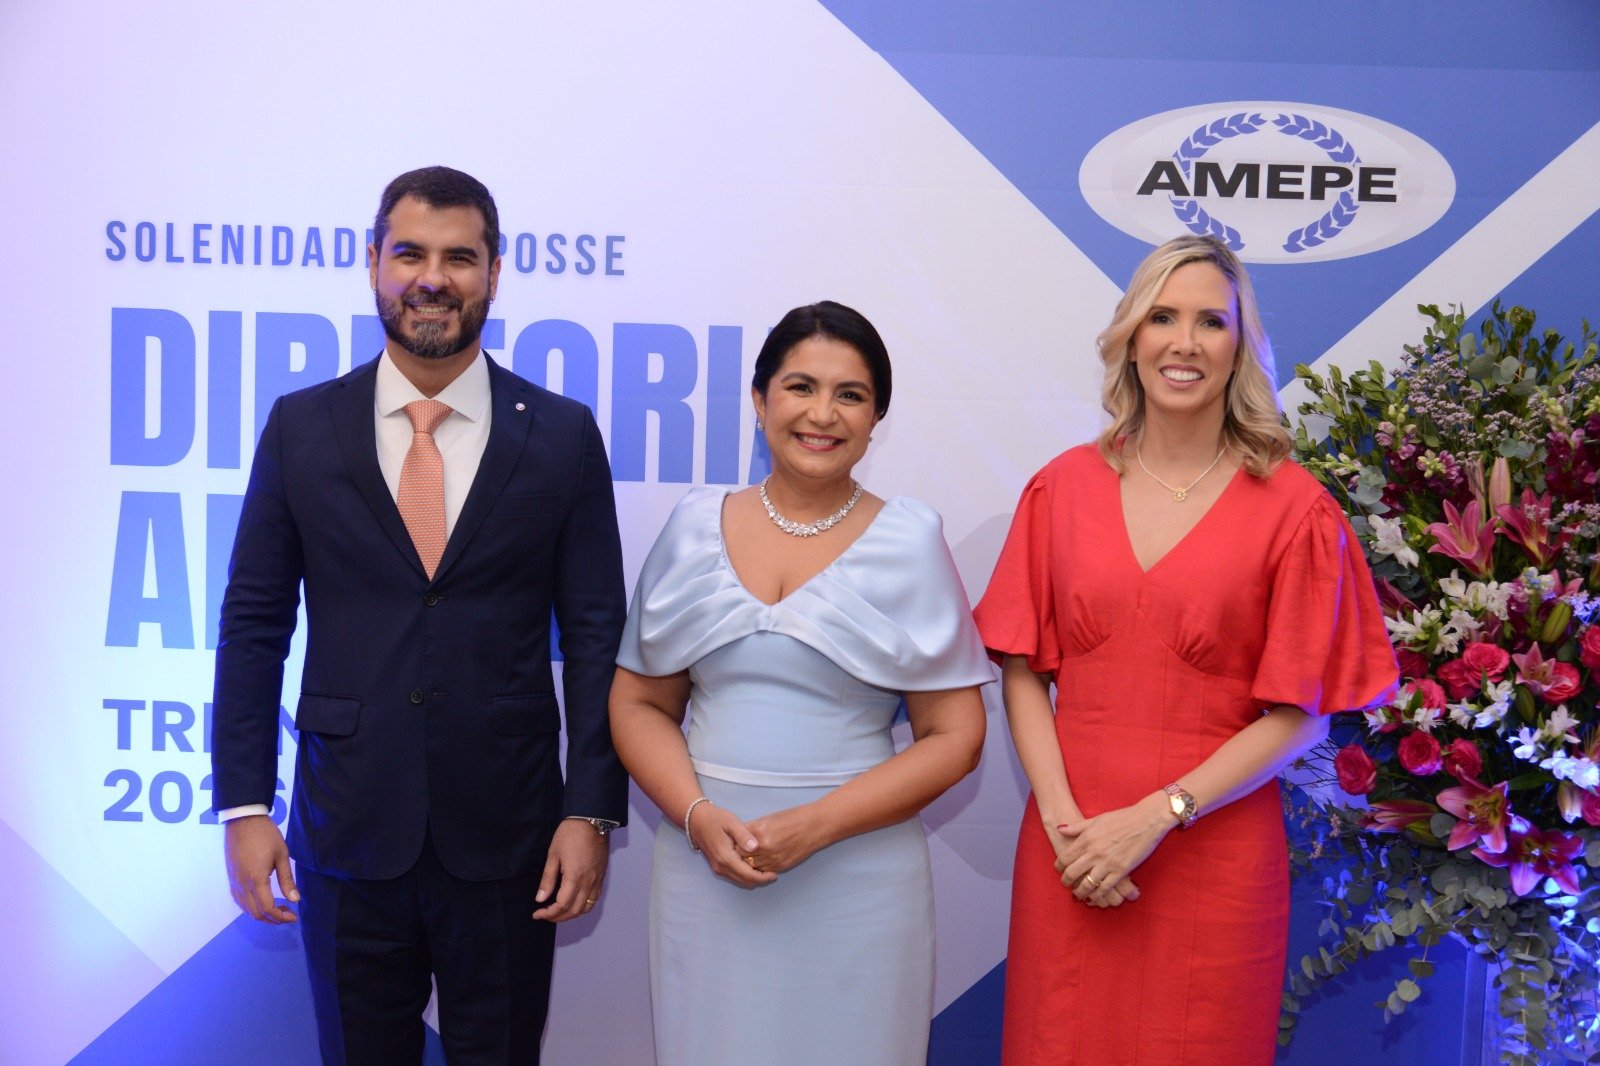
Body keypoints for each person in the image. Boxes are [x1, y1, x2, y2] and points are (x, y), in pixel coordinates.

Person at [210, 165, 627, 1065]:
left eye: (459, 258)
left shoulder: (561, 435)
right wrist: (244, 805)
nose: (432, 278)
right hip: (346, 828)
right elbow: (253, 625)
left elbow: (598, 635)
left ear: (494, 273)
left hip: (511, 834)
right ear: (373, 263)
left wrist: (590, 811)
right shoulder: (300, 427)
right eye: (410, 254)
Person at [974, 235, 1398, 1064]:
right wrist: (1067, 826)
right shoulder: (1061, 488)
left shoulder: (1295, 509)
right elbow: (1021, 669)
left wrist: (1155, 817)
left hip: (1213, 855)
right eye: (1162, 317)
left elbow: (1303, 714)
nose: (1185, 342)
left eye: (1212, 321)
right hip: (1071, 851)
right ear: (1131, 336)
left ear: (1241, 345)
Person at [608, 301, 992, 1066]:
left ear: (876, 418)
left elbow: (956, 736)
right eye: (800, 387)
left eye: (850, 395)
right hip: (705, 867)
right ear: (759, 400)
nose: (822, 414)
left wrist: (816, 826)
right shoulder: (692, 526)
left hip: (857, 871)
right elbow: (639, 702)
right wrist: (695, 816)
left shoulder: (909, 538)